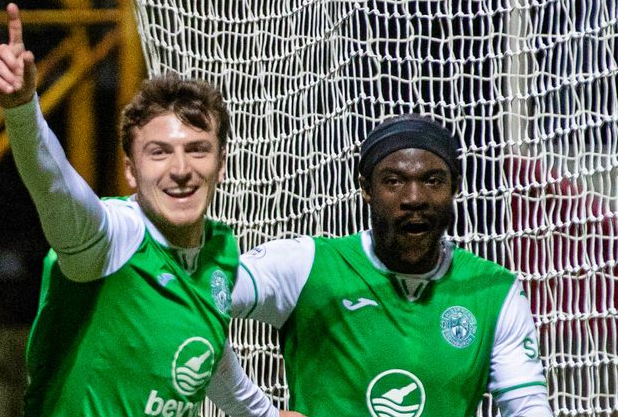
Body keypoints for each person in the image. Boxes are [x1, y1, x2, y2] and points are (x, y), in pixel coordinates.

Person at [0, 3, 302, 417]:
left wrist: (264, 414)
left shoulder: (218, 254)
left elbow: (206, 350)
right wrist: (23, 110)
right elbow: (55, 186)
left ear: (220, 166)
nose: (181, 170)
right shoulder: (110, 240)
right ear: (131, 171)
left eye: (197, 150)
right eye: (159, 153)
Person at [207, 115, 553, 416]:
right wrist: (255, 410)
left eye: (432, 181)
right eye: (394, 181)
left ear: (455, 188)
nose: (414, 199)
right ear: (366, 188)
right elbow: (193, 301)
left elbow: (527, 406)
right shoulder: (306, 265)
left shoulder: (492, 289)